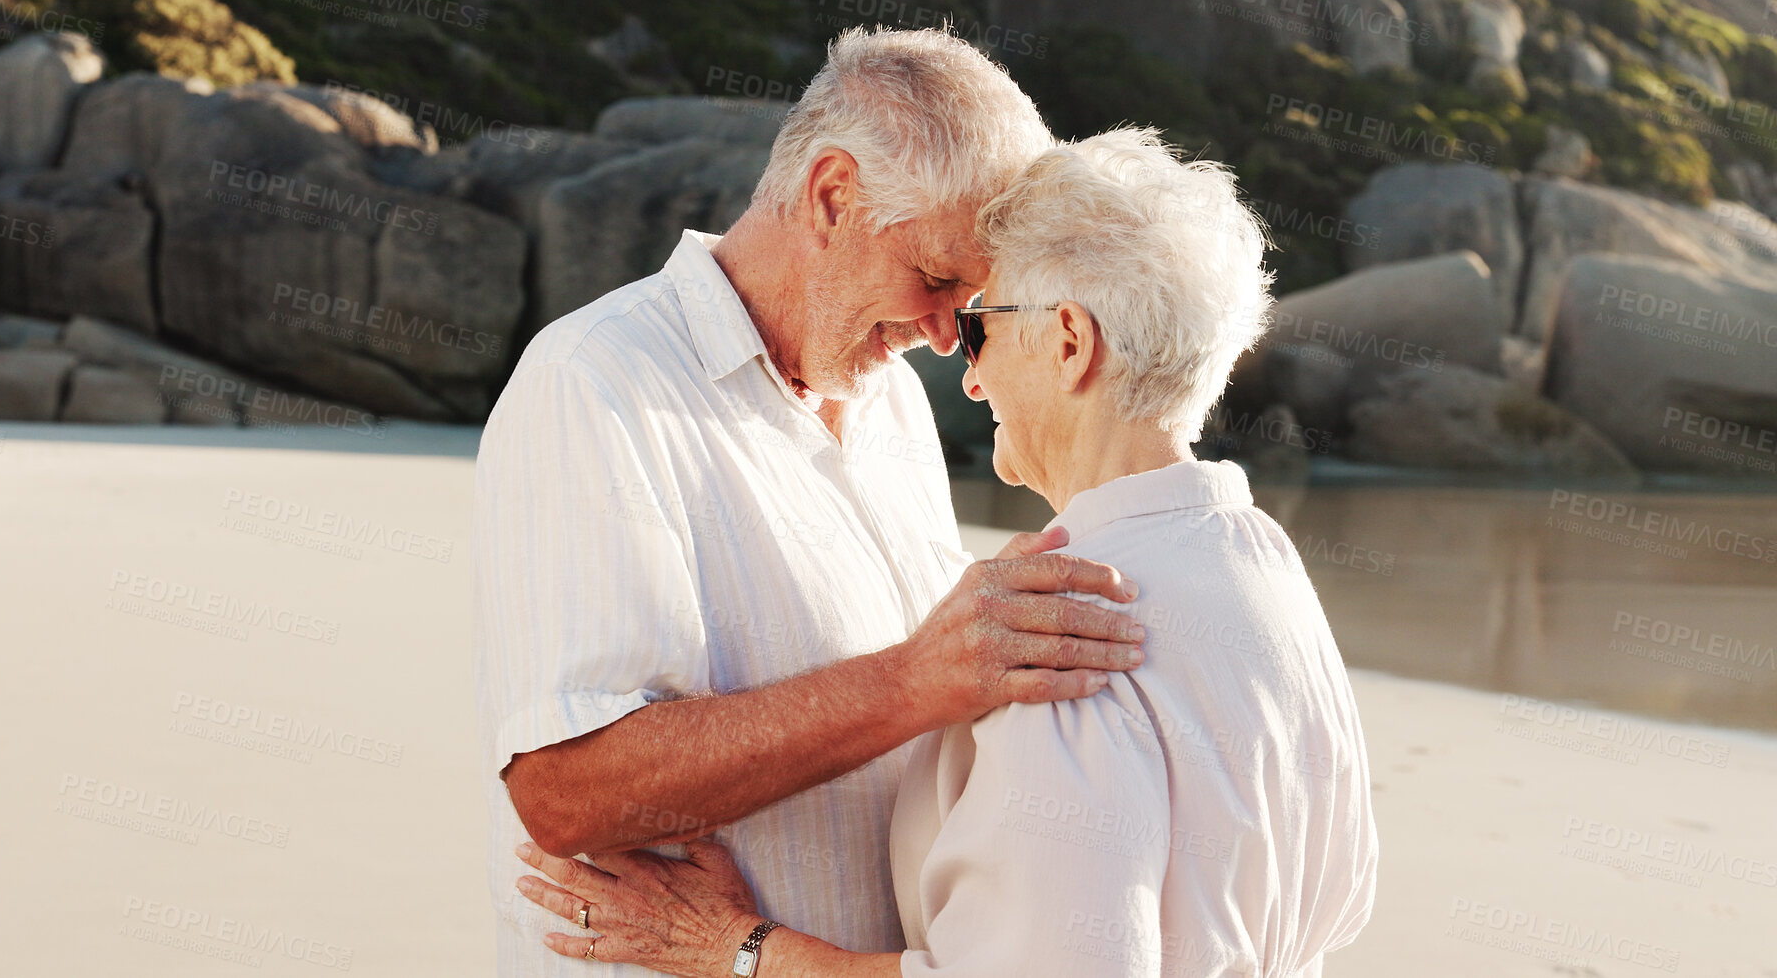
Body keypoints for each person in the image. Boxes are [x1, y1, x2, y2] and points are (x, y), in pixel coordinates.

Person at [512, 128, 1381, 976]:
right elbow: (1341, 899)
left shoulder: (1056, 635)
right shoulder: (1266, 575)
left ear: (1068, 342)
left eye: (978, 329)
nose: (963, 373)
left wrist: (739, 950)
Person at [473, 29, 1152, 977]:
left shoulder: (894, 404)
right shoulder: (595, 381)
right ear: (833, 195)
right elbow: (564, 789)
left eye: (967, 303)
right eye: (935, 279)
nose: (943, 334)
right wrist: (916, 679)